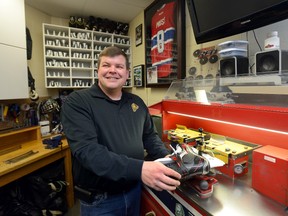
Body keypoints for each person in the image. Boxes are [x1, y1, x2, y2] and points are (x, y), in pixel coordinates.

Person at [60, 46, 181, 215]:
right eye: (106, 65)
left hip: (135, 189)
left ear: (127, 73)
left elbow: (149, 137)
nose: (112, 71)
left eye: (119, 66)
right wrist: (140, 169)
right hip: (101, 201)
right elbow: (89, 152)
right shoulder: (78, 102)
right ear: (97, 70)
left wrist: (166, 157)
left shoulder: (137, 102)